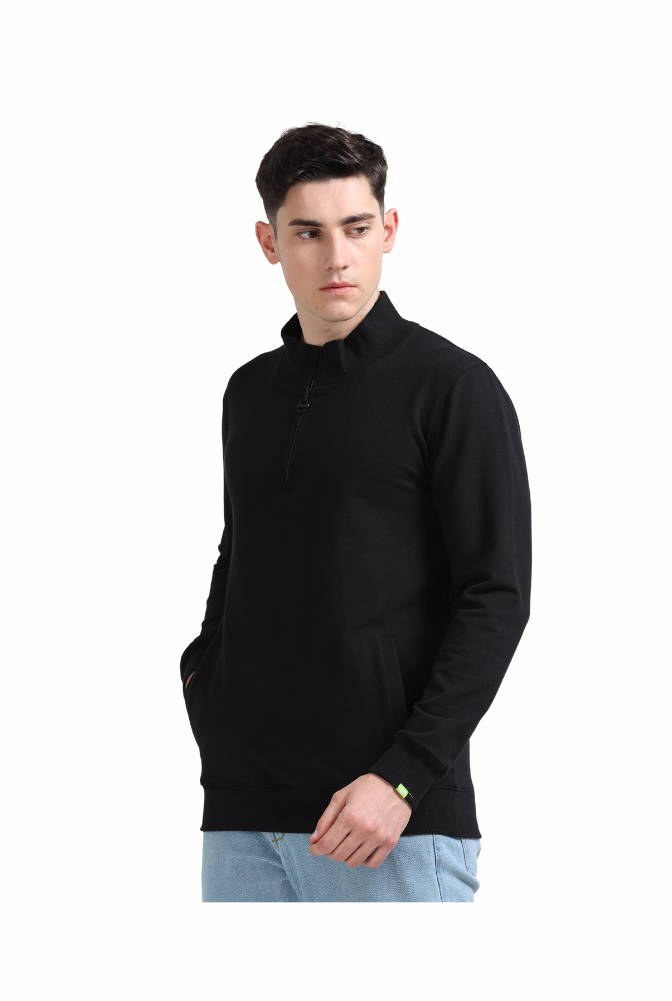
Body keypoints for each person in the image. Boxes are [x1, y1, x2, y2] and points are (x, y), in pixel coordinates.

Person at [180, 124, 531, 902]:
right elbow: (241, 553)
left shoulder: (452, 388)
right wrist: (205, 679)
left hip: (386, 821)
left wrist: (404, 777)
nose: (336, 256)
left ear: (389, 230)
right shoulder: (250, 392)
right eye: (308, 232)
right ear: (270, 243)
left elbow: (496, 596)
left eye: (357, 228)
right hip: (241, 811)